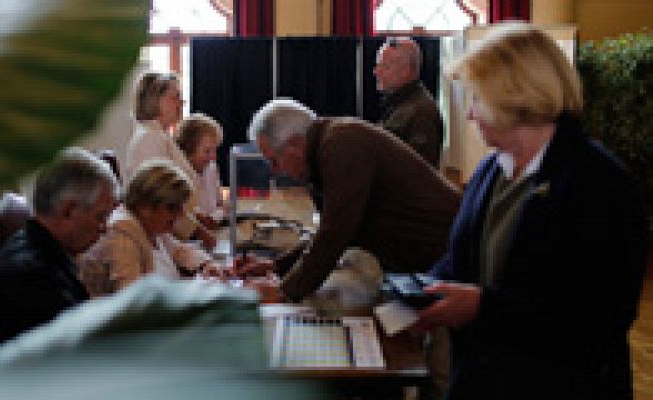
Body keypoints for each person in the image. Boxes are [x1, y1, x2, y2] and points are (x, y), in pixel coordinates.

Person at [411, 23, 649, 400]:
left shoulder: (600, 183)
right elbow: (462, 259)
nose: (470, 114)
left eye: (477, 98)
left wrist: (483, 308)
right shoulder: (491, 170)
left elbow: (600, 320)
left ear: (516, 96)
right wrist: (424, 293)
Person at [244, 98, 461, 303]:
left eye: (274, 161)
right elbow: (329, 234)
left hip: (450, 253)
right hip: (432, 256)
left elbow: (336, 234)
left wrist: (284, 292)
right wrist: (276, 266)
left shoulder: (341, 144)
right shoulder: (327, 147)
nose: (276, 172)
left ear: (295, 144)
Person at [0, 148, 118, 350]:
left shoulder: (39, 247)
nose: (104, 228)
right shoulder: (31, 278)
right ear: (69, 211)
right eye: (100, 216)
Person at [79, 159, 215, 295]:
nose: (181, 214)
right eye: (173, 207)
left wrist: (206, 265)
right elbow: (133, 302)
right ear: (146, 206)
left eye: (181, 206)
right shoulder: (121, 234)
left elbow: (178, 250)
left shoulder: (150, 224)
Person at [126, 72, 215, 249]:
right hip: (160, 239)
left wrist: (197, 216)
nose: (182, 102)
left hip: (171, 235)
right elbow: (161, 200)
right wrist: (197, 230)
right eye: (176, 97)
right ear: (155, 101)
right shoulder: (149, 139)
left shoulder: (160, 135)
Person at [374, 37, 444, 168]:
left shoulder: (421, 113)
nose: (376, 72)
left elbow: (418, 171)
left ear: (405, 71)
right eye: (377, 66)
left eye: (385, 66)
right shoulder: (399, 104)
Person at [175, 113, 227, 225]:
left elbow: (221, 204)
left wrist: (215, 216)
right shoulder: (178, 175)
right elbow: (195, 220)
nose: (213, 157)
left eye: (214, 150)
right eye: (207, 151)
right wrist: (216, 216)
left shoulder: (211, 168)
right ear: (189, 150)